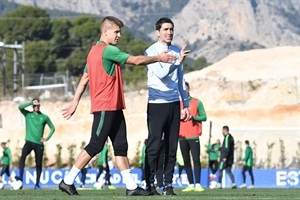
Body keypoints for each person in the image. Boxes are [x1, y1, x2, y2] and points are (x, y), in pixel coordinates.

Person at [59, 16, 176, 196]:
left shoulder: (92, 52)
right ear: (105, 32)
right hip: (105, 107)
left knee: (121, 147)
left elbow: (84, 79)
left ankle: (131, 187)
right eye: (116, 32)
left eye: (120, 32)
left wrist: (75, 102)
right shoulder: (107, 51)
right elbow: (136, 61)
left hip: (114, 107)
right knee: (95, 145)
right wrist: (159, 58)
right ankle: (67, 181)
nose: (119, 35)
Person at [145, 17, 190, 196]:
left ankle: (168, 185)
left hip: (173, 104)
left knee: (172, 147)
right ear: (158, 32)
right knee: (155, 145)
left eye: (171, 29)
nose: (169, 32)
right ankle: (149, 184)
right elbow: (162, 74)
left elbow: (180, 81)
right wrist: (178, 61)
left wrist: (185, 104)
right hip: (157, 105)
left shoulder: (177, 51)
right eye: (165, 29)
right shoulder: (151, 51)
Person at [18, 98, 55, 190]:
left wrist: (46, 138)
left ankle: (37, 184)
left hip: (39, 144)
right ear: (32, 106)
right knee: (22, 157)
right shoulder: (28, 114)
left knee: (38, 164)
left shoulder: (44, 117)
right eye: (34, 105)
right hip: (29, 142)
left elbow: (52, 128)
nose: (36, 107)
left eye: (38, 105)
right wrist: (31, 102)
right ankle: (20, 178)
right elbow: (20, 107)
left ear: (40, 106)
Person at [179, 82, 207, 192]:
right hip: (182, 137)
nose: (184, 91)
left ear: (189, 89)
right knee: (186, 161)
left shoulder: (197, 102)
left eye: (185, 89)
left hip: (194, 136)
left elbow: (204, 117)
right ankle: (190, 184)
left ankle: (198, 184)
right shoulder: (178, 104)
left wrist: (193, 117)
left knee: (196, 160)